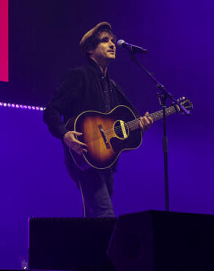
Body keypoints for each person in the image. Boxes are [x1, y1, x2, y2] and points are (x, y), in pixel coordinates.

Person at [43, 22, 153, 217]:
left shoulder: (113, 86)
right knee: (105, 215)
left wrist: (140, 126)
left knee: (94, 221)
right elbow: (51, 110)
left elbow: (122, 125)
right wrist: (65, 134)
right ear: (90, 50)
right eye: (105, 41)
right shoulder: (79, 76)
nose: (112, 44)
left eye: (112, 40)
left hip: (106, 161)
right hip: (83, 155)